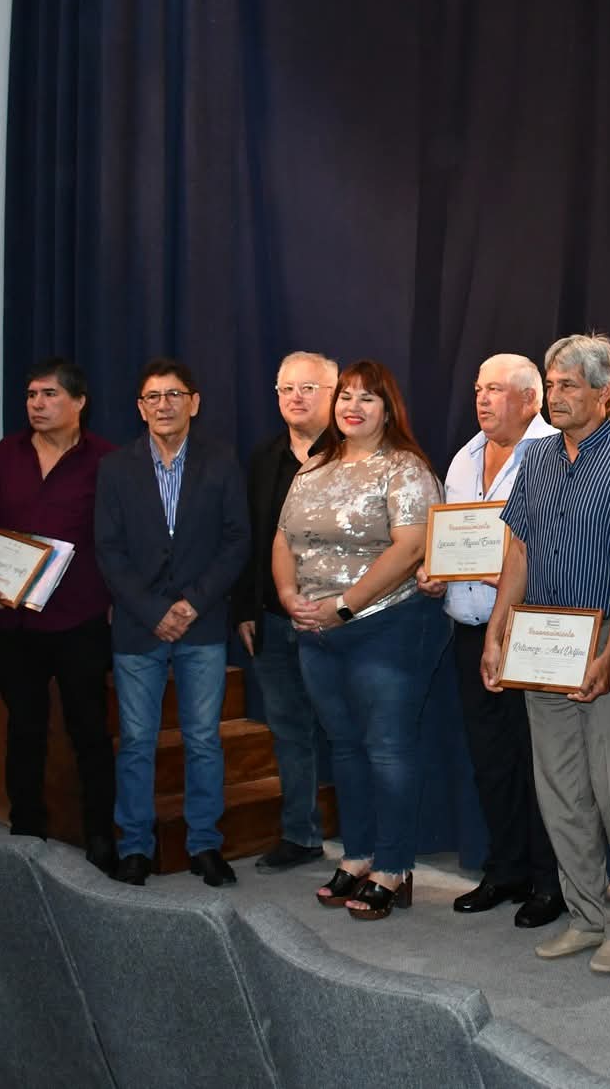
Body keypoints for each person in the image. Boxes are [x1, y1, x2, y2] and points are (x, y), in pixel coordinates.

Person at [483, 333, 610, 974]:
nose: (555, 397)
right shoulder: (536, 460)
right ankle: (586, 914)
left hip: (604, 646)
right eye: (551, 385)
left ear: (606, 392)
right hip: (539, 646)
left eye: (568, 385)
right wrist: (496, 629)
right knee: (559, 789)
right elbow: (518, 551)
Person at [272, 360, 446, 921]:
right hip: (315, 630)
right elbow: (282, 538)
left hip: (388, 627)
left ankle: (394, 867)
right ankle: (358, 856)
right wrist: (287, 595)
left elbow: (411, 546)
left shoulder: (404, 469)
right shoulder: (312, 468)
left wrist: (346, 606)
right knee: (344, 747)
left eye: (367, 398)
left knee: (388, 749)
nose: (353, 406)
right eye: (346, 395)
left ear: (388, 409)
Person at [415, 353, 565, 928]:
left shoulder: (553, 453)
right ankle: (506, 868)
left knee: (539, 764)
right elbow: (453, 536)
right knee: (491, 761)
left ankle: (552, 882)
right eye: (479, 388)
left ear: (532, 399)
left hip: (528, 630)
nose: (482, 399)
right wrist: (434, 572)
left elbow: (547, 548)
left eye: (496, 390)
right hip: (470, 629)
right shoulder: (464, 456)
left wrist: (496, 575)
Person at [0, 358, 118, 869]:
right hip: (15, 622)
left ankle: (100, 839)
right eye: (30, 396)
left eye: (48, 395)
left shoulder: (107, 461)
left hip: (79, 622)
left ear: (78, 402)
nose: (37, 405)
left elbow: (125, 539)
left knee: (89, 732)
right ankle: (27, 832)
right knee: (23, 729)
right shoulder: (7, 454)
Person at [94, 358, 250, 887]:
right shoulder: (116, 468)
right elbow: (109, 550)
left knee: (203, 739)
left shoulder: (222, 462)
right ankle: (135, 847)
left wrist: (190, 605)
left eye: (174, 394)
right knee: (136, 740)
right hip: (139, 627)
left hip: (201, 625)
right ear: (140, 408)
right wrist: (154, 610)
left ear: (194, 402)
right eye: (153, 397)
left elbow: (236, 541)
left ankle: (204, 845)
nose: (164, 405)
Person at [231, 351, 339, 873]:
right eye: (285, 389)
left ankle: (364, 841)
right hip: (274, 619)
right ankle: (301, 834)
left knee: (349, 729)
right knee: (289, 728)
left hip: (341, 620)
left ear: (334, 394)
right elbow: (250, 540)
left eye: (307, 388)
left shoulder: (354, 456)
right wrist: (247, 607)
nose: (294, 398)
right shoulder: (262, 458)